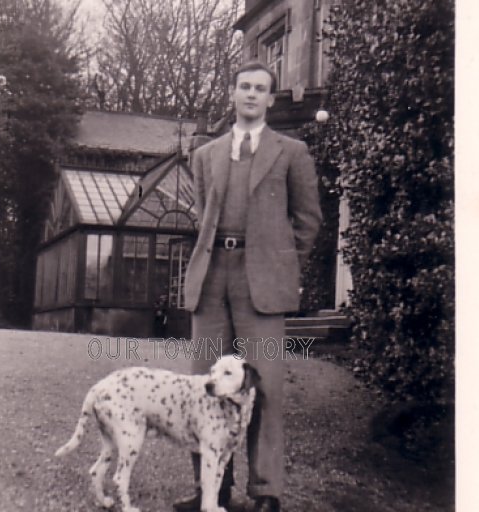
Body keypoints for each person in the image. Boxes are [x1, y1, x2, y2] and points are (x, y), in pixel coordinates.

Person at [176, 60, 322, 512]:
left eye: (261, 88)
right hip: (212, 275)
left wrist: (279, 265)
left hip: (263, 283)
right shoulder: (206, 155)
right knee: (207, 385)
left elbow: (308, 221)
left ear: (271, 99)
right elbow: (204, 215)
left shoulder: (291, 152)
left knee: (266, 388)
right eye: (245, 87)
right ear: (233, 93)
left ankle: (265, 493)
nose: (252, 95)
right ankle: (211, 489)